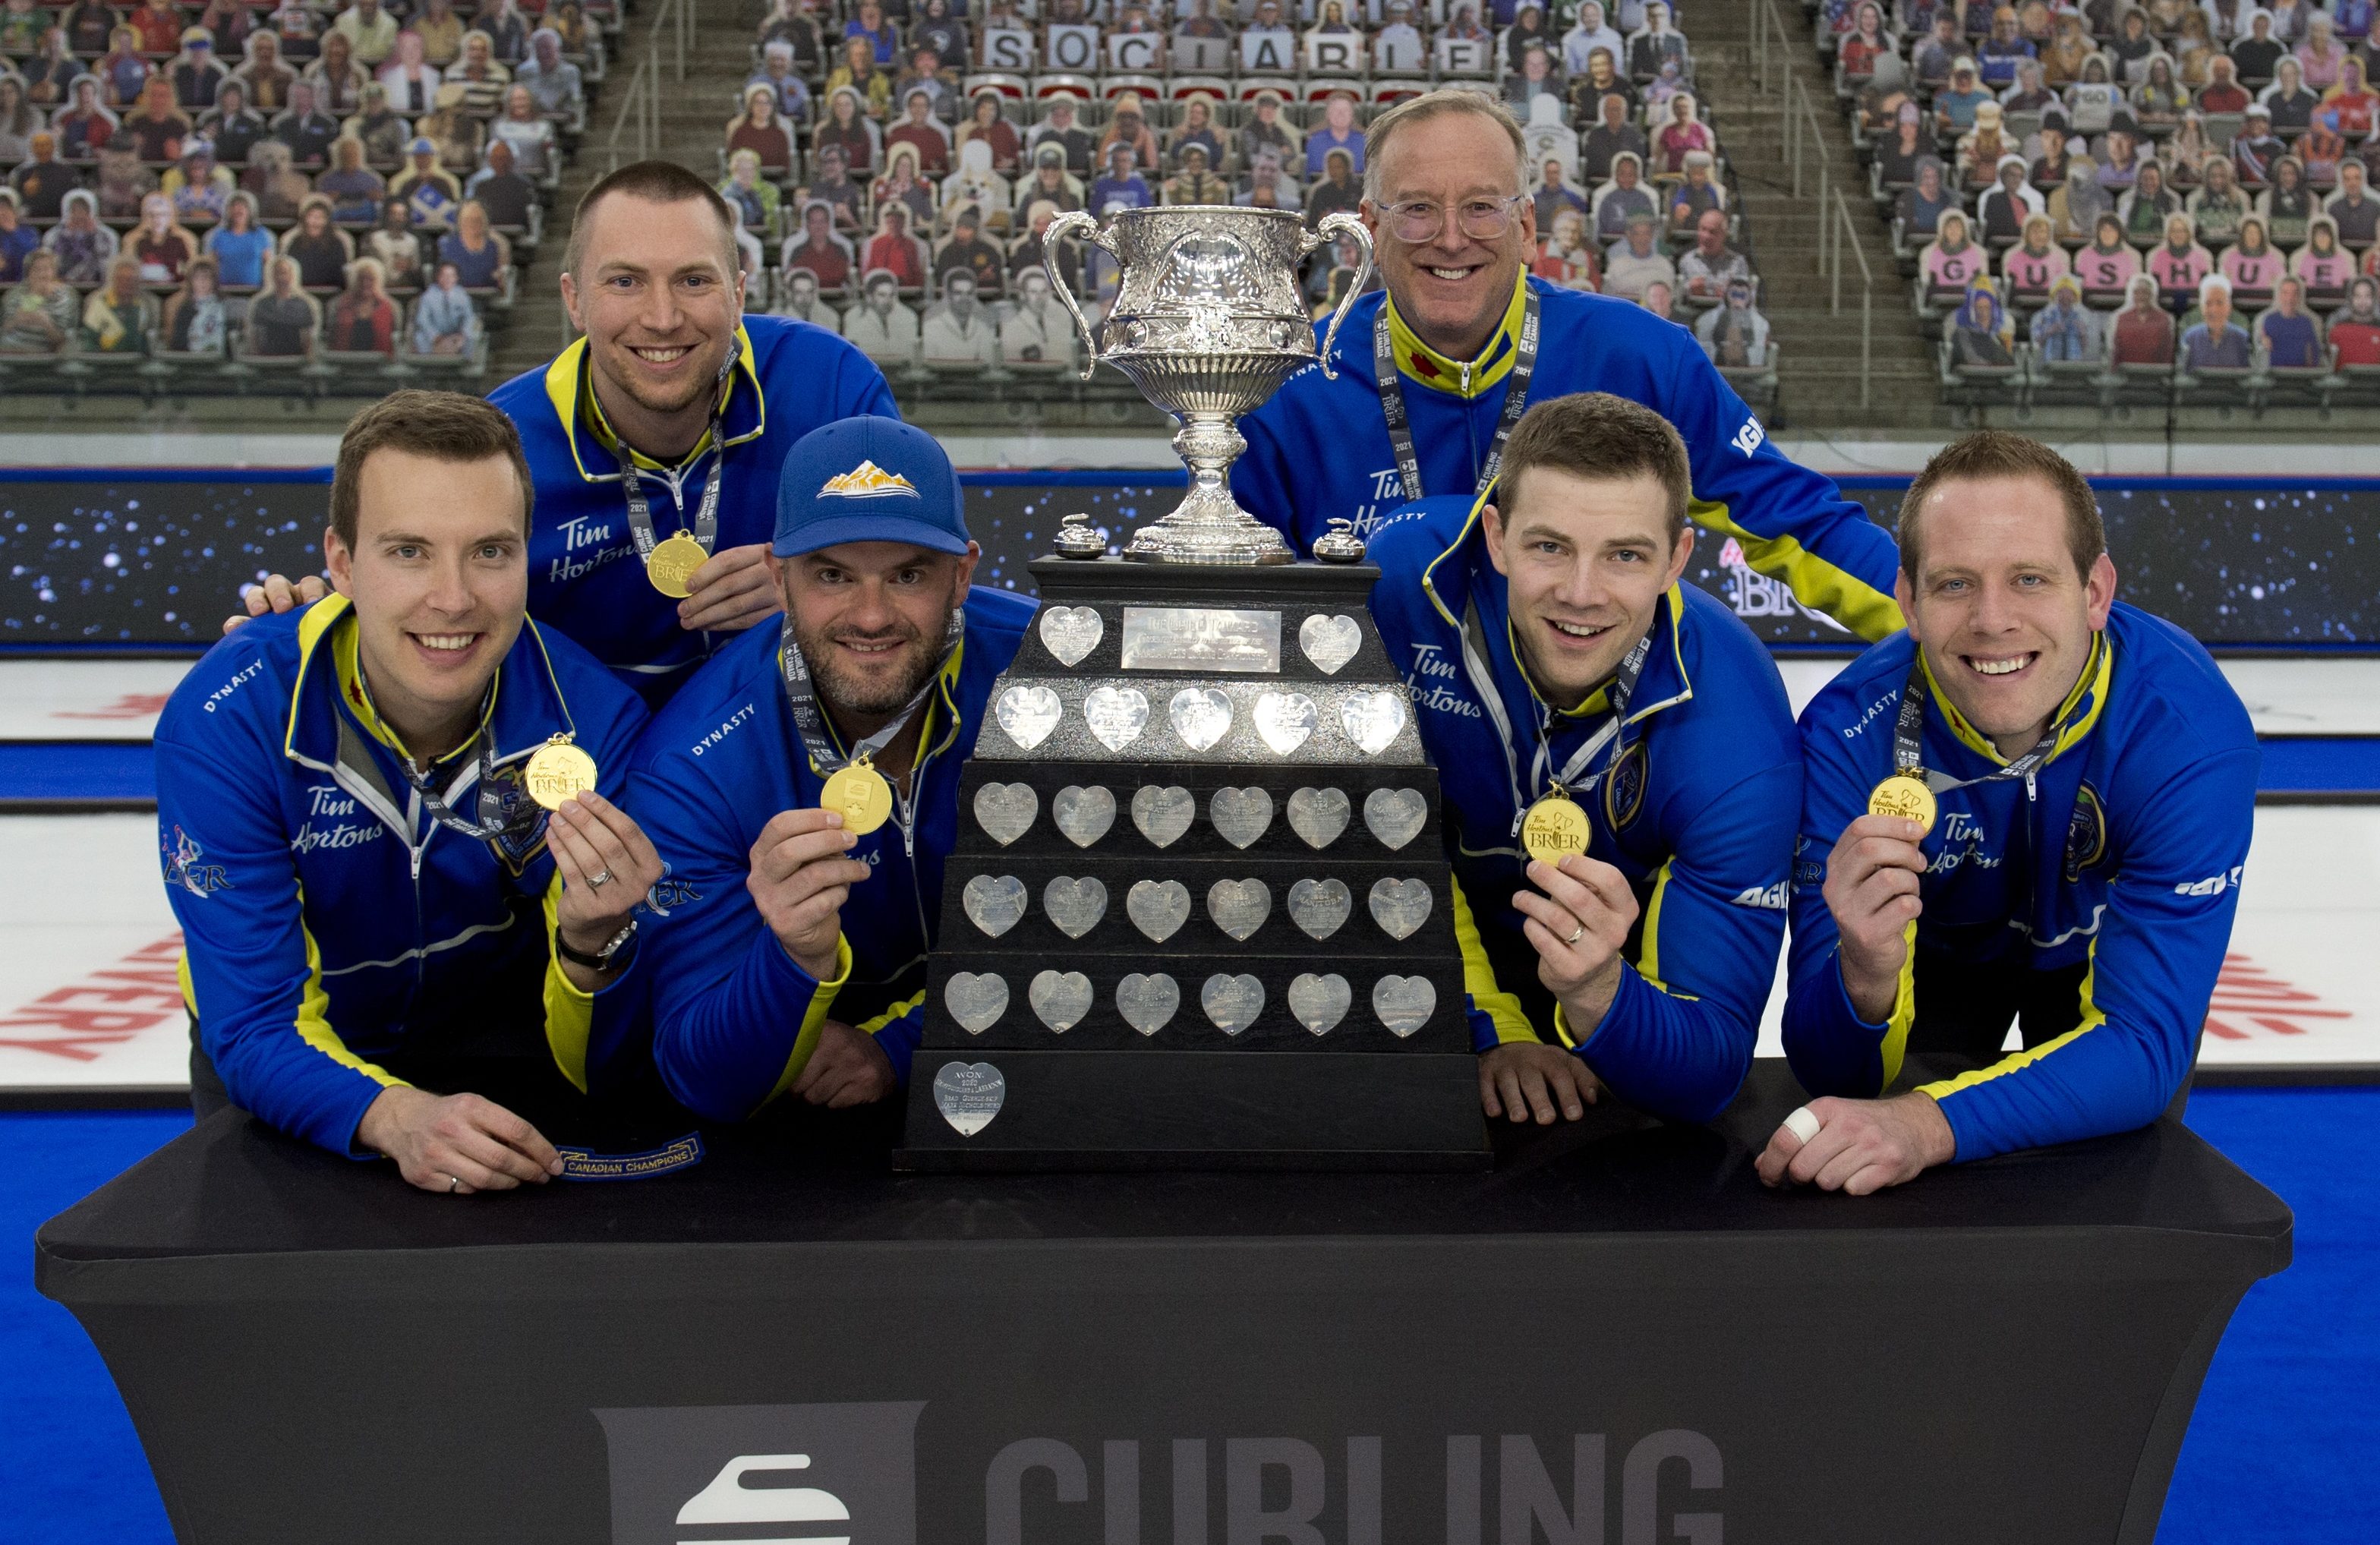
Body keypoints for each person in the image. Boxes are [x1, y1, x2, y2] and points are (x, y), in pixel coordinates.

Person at [157, 393, 660, 1187]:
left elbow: (614, 1059)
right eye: (409, 552)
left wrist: (593, 947)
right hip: (285, 1047)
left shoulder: (596, 720)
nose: (453, 598)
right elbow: (254, 1021)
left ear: (527, 553)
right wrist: (394, 1115)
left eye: (490, 553)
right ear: (343, 562)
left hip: (501, 1041)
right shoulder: (232, 714)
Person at [1764, 432, 2257, 1194]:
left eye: (2029, 578)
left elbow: (2141, 1050)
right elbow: (1827, 1067)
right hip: (1940, 964)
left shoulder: (2188, 735)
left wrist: (1927, 1124)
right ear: (1910, 602)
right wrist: (1863, 972)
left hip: (2101, 968)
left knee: (2110, 1194)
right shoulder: (1845, 736)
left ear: (2095, 593)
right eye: (1956, 584)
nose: (1993, 620)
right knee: (1888, 1206)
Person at [1244, 93, 1902, 632]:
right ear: (1369, 230)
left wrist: (1940, 623)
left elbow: (1797, 520)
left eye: (1481, 208)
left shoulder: (1641, 357)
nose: (1450, 237)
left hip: (1598, 735)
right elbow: (1229, 604)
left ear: (1527, 227)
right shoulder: (1292, 382)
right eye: (1415, 209)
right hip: (1371, 742)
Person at [1363, 393, 1796, 1126]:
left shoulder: (1740, 740)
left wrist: (1596, 988)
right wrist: (1488, 1024)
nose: (1581, 594)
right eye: (1548, 546)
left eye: (1625, 555)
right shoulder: (1401, 583)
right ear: (1496, 538)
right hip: (1413, 969)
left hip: (1617, 1016)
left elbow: (1710, 1067)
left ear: (1676, 559)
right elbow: (1367, 837)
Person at [625, 416, 1035, 1121]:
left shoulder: (1052, 674)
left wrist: (901, 1045)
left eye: (908, 574)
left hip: (1035, 1086)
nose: (870, 616)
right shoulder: (692, 765)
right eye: (832, 575)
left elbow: (1124, 938)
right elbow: (700, 1077)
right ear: (778, 579)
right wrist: (794, 958)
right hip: (814, 1153)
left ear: (962, 574)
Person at [2178, 274, 2252, 369]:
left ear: (2229, 307)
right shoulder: (2190, 338)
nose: (2214, 310)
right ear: (2201, 307)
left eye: (2220, 303)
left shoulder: (2243, 338)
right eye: (2208, 303)